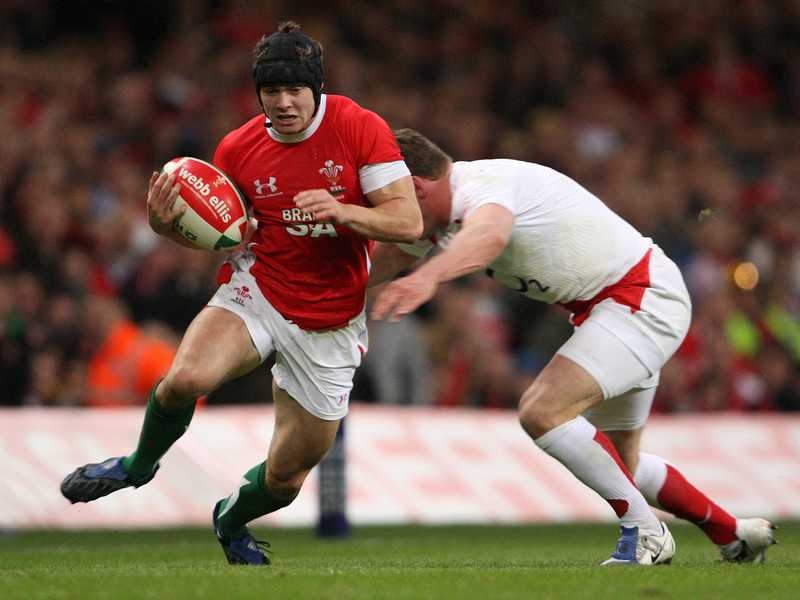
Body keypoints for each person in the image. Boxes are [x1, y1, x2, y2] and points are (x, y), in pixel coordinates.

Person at [60, 22, 422, 566]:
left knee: (285, 478)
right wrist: (166, 225)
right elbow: (222, 230)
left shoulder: (360, 128)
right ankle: (137, 465)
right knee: (187, 378)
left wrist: (344, 210)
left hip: (331, 320)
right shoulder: (239, 147)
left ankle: (230, 519)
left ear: (317, 89)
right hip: (261, 288)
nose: (283, 102)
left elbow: (409, 221)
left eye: (295, 90)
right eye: (271, 92)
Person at [369, 128, 776, 565]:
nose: (388, 210)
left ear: (415, 187)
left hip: (639, 295)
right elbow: (385, 258)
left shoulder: (481, 186)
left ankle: (646, 534)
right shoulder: (434, 216)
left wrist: (428, 277)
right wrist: (320, 295)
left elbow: (488, 235)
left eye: (388, 197)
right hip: (611, 307)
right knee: (621, 465)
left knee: (542, 410)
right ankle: (734, 534)